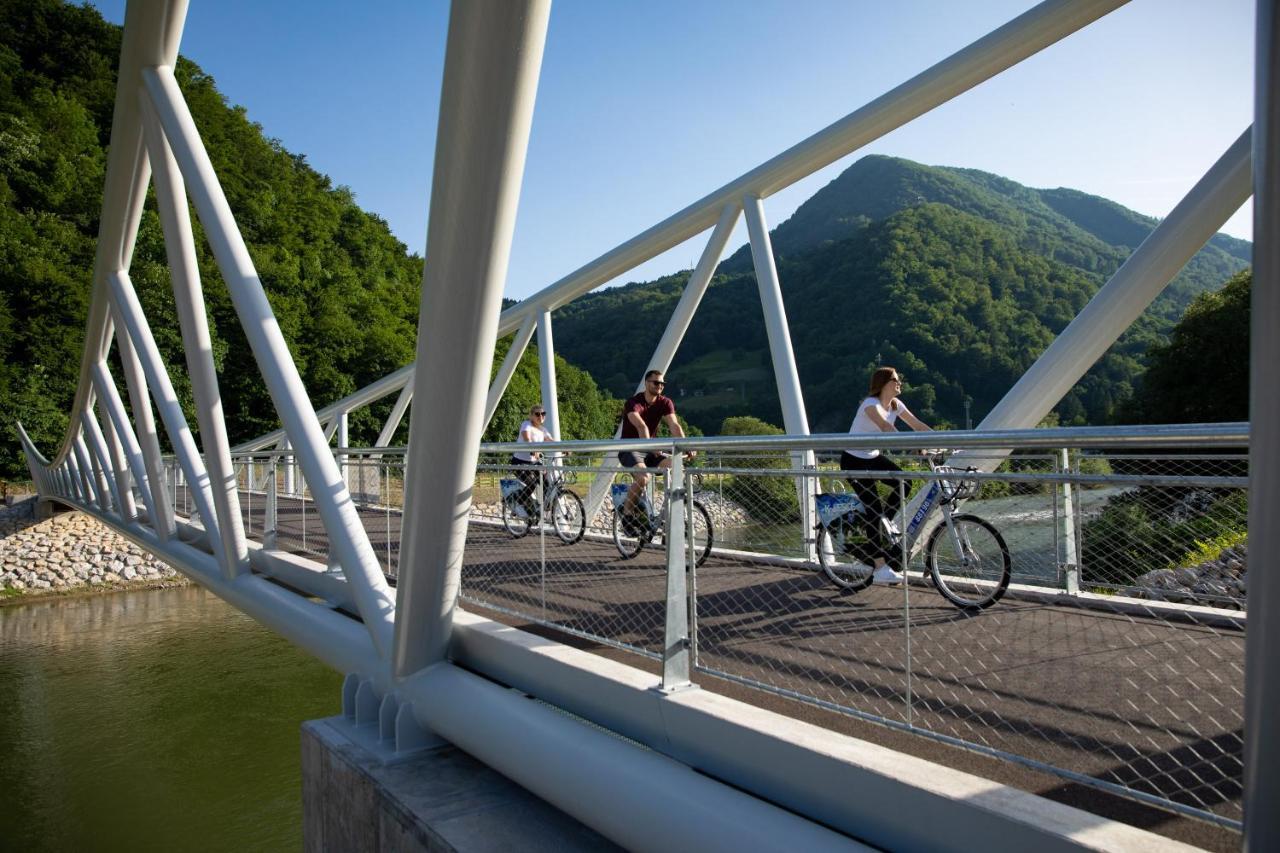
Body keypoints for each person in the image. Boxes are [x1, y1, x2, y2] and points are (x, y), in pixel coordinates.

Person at [842, 366, 932, 585]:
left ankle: (884, 525)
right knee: (873, 508)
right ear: (883, 383)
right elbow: (885, 427)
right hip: (853, 460)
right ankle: (880, 569)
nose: (899, 382)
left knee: (905, 482)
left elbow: (917, 424)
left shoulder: (895, 404)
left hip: (872, 457)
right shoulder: (870, 405)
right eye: (895, 379)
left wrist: (943, 441)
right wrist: (911, 445)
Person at [617, 369, 693, 527]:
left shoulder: (665, 402)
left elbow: (674, 425)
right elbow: (641, 426)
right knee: (643, 478)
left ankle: (666, 521)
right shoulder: (633, 403)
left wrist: (686, 446)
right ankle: (627, 513)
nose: (660, 386)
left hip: (650, 449)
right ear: (646, 383)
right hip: (630, 449)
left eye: (662, 384)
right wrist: (651, 447)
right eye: (656, 383)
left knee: (677, 467)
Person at [510, 404, 556, 517]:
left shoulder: (543, 430)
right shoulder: (526, 425)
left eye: (543, 414)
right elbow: (527, 438)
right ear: (531, 416)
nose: (540, 416)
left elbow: (551, 441)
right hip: (519, 462)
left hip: (534, 462)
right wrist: (533, 449)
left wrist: (564, 448)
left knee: (546, 483)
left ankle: (544, 507)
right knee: (531, 484)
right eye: (537, 414)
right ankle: (518, 504)